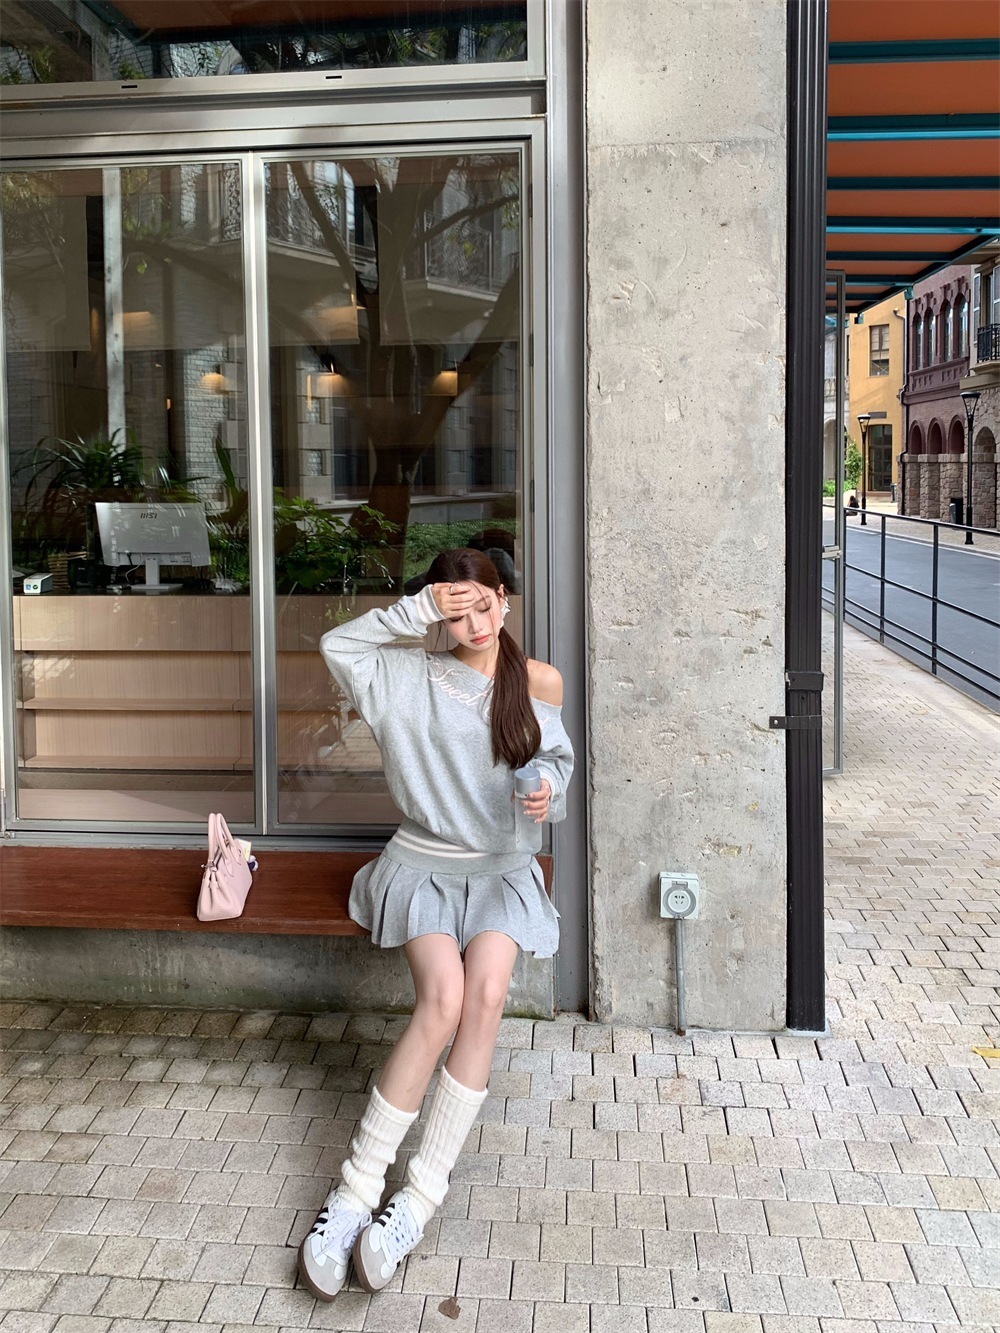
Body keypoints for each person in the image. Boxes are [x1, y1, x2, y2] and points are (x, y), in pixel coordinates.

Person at [298, 547, 574, 1302]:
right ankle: (356, 1191)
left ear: (505, 600)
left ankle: (418, 1198)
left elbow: (557, 765)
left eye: (485, 605)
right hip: (422, 867)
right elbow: (338, 645)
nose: (476, 623)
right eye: (457, 611)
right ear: (439, 614)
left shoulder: (538, 680)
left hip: (502, 872)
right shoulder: (406, 676)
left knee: (485, 996)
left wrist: (547, 792)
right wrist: (418, 610)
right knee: (442, 1000)